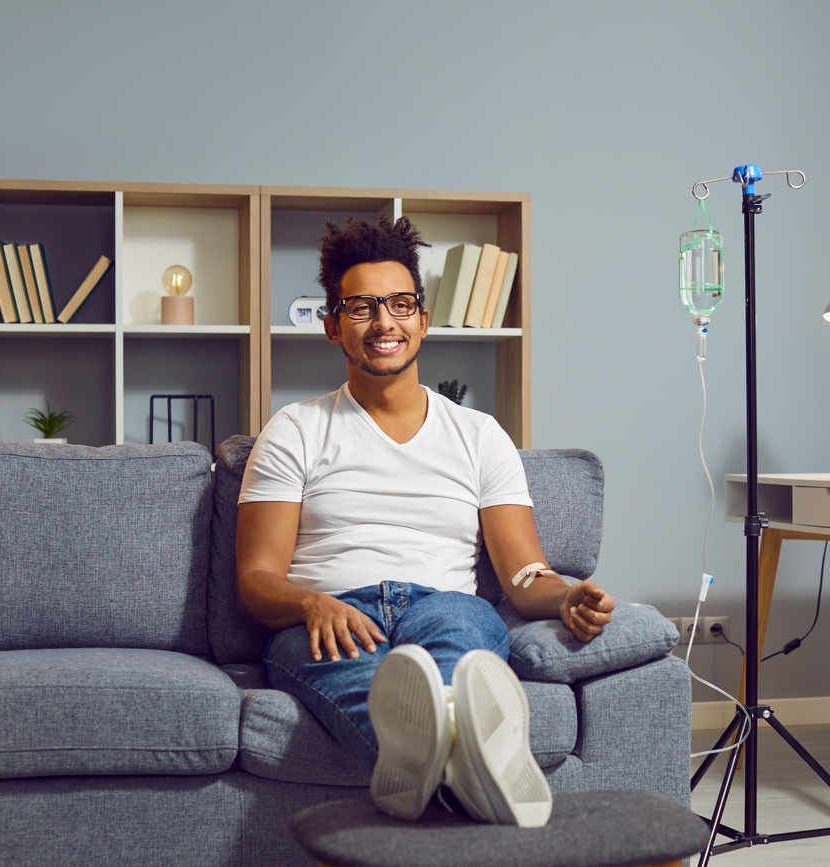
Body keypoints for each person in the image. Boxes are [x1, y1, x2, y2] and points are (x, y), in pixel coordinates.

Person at [235, 215, 615, 828]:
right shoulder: (295, 431)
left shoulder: (479, 435)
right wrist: (311, 605)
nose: (384, 322)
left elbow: (523, 573)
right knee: (398, 715)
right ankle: (473, 776)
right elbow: (255, 580)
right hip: (331, 619)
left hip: (444, 606)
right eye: (361, 307)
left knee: (443, 681)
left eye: (400, 304)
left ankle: (435, 774)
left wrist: (566, 595)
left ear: (423, 320)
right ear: (333, 326)